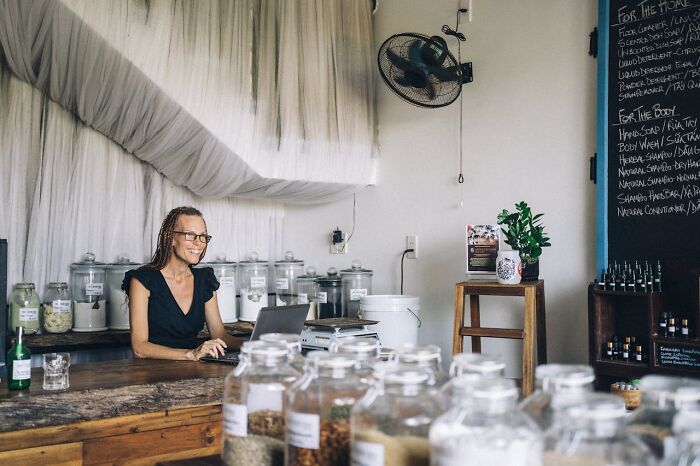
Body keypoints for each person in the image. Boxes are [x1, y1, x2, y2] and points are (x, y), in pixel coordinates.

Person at [122, 206, 243, 360]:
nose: (198, 243)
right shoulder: (142, 280)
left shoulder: (204, 280)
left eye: (203, 236)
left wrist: (255, 345)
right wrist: (190, 354)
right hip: (152, 373)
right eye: (190, 235)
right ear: (170, 237)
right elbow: (140, 347)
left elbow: (220, 336)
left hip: (194, 371)